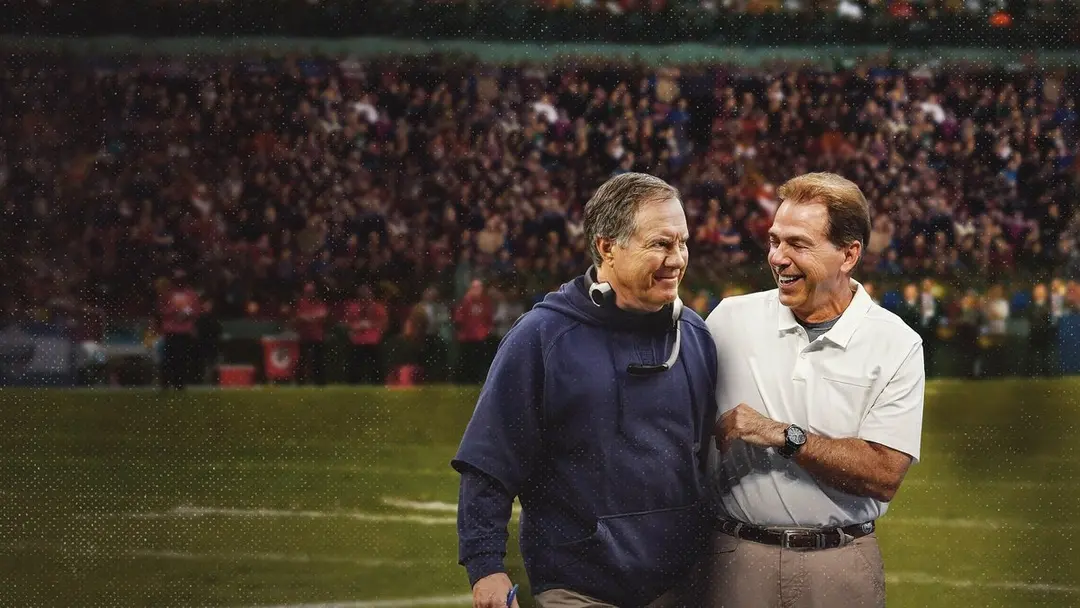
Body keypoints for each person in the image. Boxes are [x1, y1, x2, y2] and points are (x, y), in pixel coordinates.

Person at [452, 172, 717, 608]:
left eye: (682, 243)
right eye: (660, 244)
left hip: (682, 587)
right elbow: (490, 460)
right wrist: (486, 566)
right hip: (578, 587)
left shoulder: (694, 335)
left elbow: (707, 461)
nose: (677, 259)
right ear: (607, 246)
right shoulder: (542, 337)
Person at [697, 172, 925, 607]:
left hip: (839, 564)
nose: (778, 258)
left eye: (798, 244)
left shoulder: (895, 343)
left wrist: (783, 435)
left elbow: (883, 475)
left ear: (848, 254)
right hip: (735, 558)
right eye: (774, 241)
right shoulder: (729, 320)